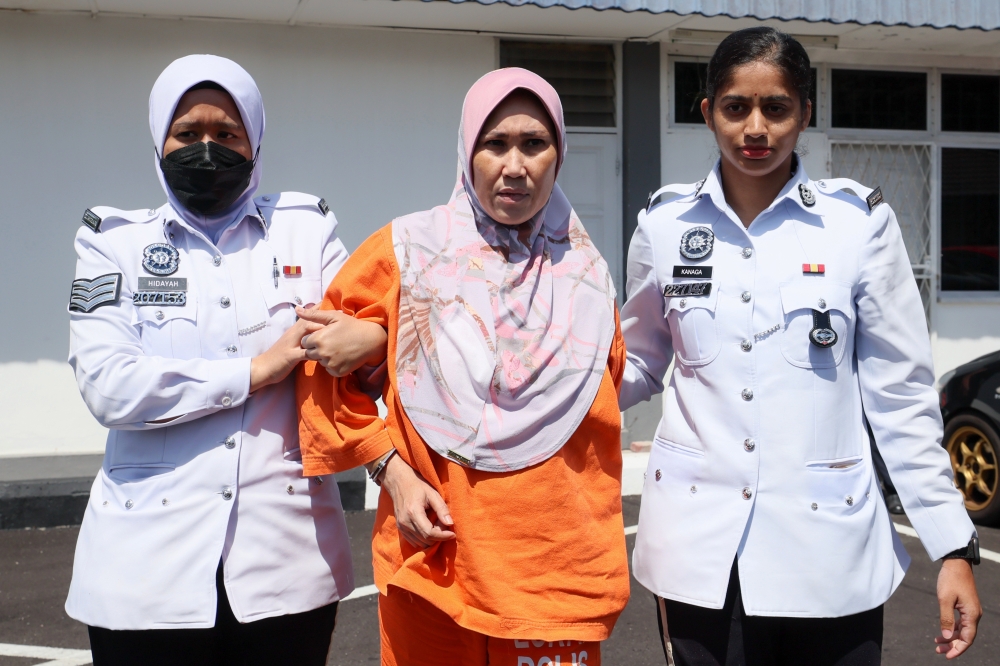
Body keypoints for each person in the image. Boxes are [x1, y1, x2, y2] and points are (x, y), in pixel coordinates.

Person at [619, 27, 982, 666]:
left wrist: (952, 547)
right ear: (707, 113)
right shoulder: (665, 225)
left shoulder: (857, 225)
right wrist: (542, 389)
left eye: (776, 108)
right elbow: (638, 361)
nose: (755, 128)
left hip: (829, 554)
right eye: (736, 107)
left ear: (805, 113)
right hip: (701, 553)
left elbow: (899, 396)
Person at [296, 68, 629, 665]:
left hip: (554, 570)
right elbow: (322, 372)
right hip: (435, 562)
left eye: (534, 144)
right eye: (494, 143)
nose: (514, 166)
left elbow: (601, 403)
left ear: (559, 156)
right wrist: (391, 472)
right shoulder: (408, 251)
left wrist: (388, 340)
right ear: (467, 149)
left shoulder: (586, 276)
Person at [66, 54, 386, 666]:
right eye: (187, 134)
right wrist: (256, 371)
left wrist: (373, 340)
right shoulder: (114, 241)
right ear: (159, 143)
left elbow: (358, 343)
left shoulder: (305, 230)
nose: (207, 150)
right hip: (143, 572)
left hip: (287, 563)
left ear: (254, 142)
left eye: (227, 134)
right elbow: (109, 386)